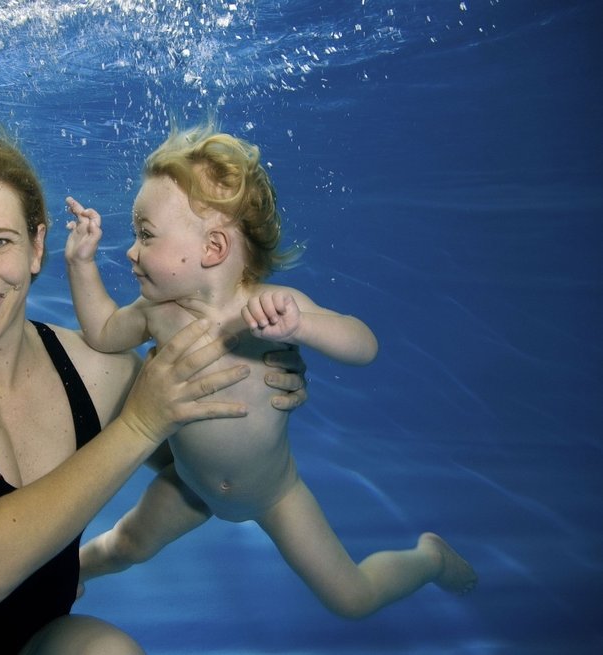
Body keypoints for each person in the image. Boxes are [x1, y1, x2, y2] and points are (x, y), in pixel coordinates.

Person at [0, 32, 309, 655]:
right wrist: (140, 423)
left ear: (38, 247)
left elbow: (211, 474)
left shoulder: (99, 373)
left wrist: (256, 374)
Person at [65, 123, 478, 620]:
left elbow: (364, 345)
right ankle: (66, 576)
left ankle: (429, 558)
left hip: (273, 492)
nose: (131, 251)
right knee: (124, 547)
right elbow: (104, 333)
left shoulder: (269, 309)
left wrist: (305, 327)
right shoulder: (160, 311)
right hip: (190, 487)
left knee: (352, 599)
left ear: (213, 249)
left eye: (145, 235)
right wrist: (80, 264)